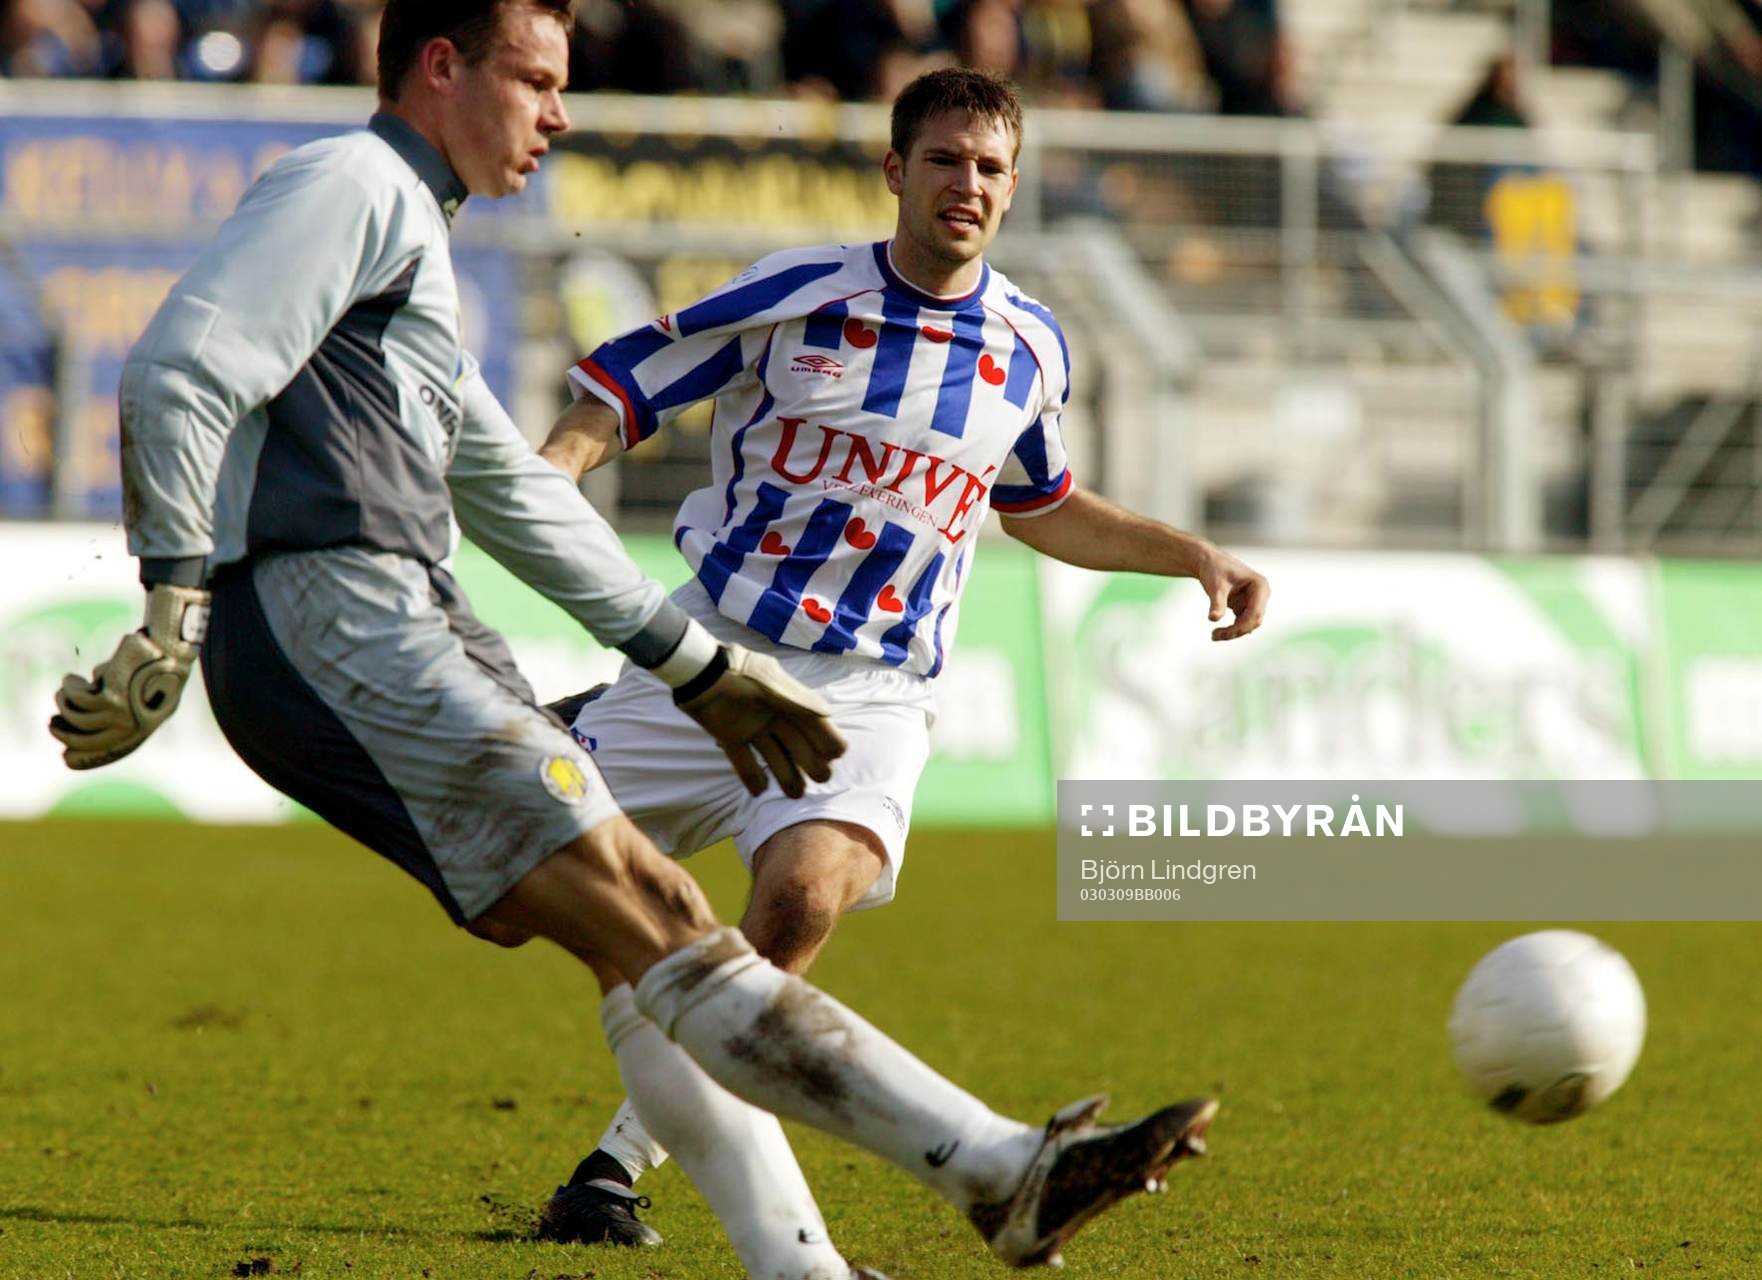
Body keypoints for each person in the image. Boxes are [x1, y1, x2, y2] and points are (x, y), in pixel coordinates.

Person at [46, 7, 1217, 1277]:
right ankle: (997, 1173)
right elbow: (181, 367)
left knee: (652, 930)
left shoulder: (415, 247)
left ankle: (840, 1231)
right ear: (442, 67)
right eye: (537, 81)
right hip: (348, 620)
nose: (559, 114)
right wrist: (172, 602)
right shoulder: (354, 181)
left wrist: (696, 669)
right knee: (656, 915)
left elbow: (504, 483)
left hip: (396, 624)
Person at [534, 65, 1267, 1251]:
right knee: (525, 895)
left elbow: (1040, 503)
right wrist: (555, 472)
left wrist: (1191, 556)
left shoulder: (1028, 346)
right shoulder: (801, 292)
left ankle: (616, 1164)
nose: (965, 184)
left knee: (797, 902)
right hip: (710, 660)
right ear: (894, 171)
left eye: (988, 167)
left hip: (872, 689)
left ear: (1014, 186)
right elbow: (630, 379)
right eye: (943, 160)